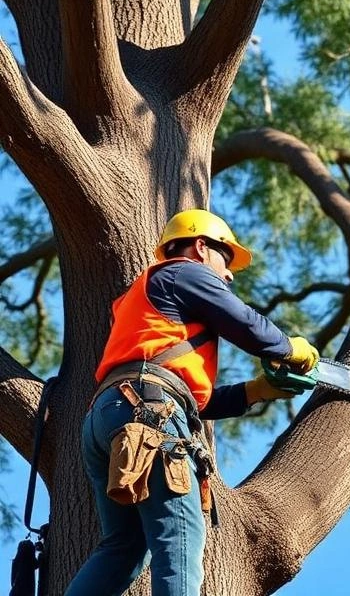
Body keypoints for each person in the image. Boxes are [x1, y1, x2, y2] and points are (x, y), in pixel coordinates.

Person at [65, 208, 319, 596]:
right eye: (226, 257)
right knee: (180, 537)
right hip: (148, 412)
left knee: (125, 547)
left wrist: (254, 392)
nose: (230, 273)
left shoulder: (150, 301)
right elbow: (245, 323)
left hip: (111, 416)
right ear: (201, 247)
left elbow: (189, 399)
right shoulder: (184, 271)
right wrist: (287, 347)